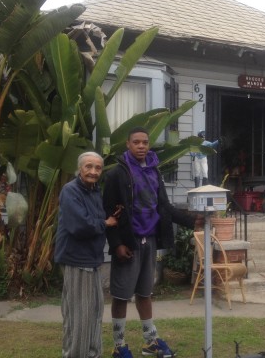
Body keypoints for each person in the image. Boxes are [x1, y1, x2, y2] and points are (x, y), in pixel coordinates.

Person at [103, 127, 204, 358]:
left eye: (145, 142)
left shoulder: (154, 172)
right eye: (136, 142)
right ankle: (119, 345)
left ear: (149, 145)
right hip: (128, 242)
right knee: (120, 295)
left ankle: (150, 341)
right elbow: (108, 211)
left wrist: (192, 221)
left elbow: (165, 207)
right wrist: (117, 243)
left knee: (145, 292)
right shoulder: (117, 174)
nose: (141, 146)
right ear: (128, 145)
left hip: (149, 240)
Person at [54, 152, 121, 358]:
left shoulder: (93, 191)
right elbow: (78, 226)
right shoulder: (71, 191)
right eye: (88, 167)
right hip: (77, 260)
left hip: (92, 260)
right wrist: (105, 223)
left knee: (94, 312)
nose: (93, 172)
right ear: (80, 168)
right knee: (80, 316)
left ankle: (92, 354)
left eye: (98, 168)